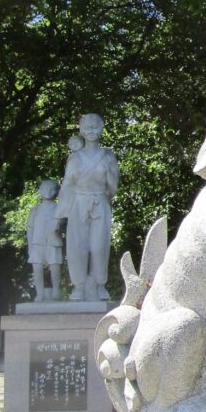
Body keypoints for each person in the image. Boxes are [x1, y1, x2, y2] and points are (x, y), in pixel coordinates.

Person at [55, 113, 119, 301]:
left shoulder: (108, 156)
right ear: (81, 131)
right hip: (79, 203)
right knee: (77, 246)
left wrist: (107, 183)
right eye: (87, 128)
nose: (91, 131)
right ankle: (79, 286)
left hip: (100, 202)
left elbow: (113, 187)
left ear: (101, 129)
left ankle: (100, 284)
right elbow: (67, 185)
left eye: (95, 127)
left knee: (99, 246)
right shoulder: (75, 157)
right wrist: (59, 215)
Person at [26, 179, 64, 301]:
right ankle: (40, 293)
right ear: (40, 191)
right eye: (44, 188)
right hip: (37, 243)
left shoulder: (60, 209)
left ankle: (56, 291)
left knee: (55, 265)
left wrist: (58, 223)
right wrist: (30, 246)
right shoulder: (35, 210)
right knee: (37, 267)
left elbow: (64, 224)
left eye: (51, 188)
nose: (48, 191)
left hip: (53, 241)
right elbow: (30, 229)